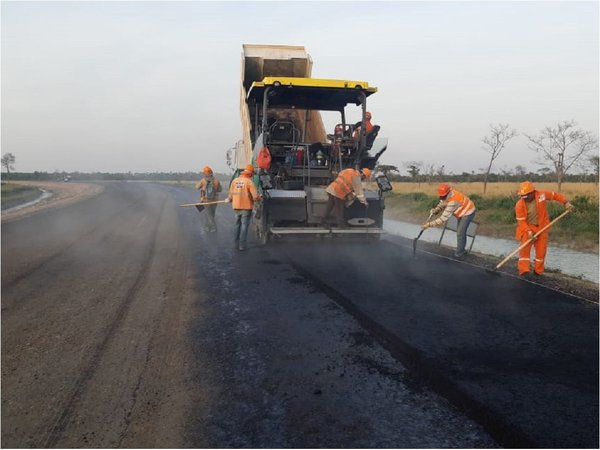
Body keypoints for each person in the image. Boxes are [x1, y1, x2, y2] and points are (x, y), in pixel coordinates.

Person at [514, 181, 574, 277]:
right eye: (522, 196)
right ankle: (524, 271)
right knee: (524, 250)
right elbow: (521, 221)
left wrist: (566, 203)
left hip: (542, 227)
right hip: (527, 228)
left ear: (532, 192)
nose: (524, 198)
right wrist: (529, 231)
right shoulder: (519, 205)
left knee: (541, 251)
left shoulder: (541, 195)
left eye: (525, 196)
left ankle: (538, 272)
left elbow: (554, 195)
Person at [422, 183, 476, 259]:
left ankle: (460, 253)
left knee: (460, 232)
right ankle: (461, 250)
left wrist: (428, 225)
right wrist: (436, 210)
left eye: (443, 196)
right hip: (461, 210)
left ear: (448, 193)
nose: (442, 198)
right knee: (460, 232)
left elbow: (442, 219)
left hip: (468, 212)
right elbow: (442, 203)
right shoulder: (446, 195)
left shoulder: (453, 201)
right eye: (441, 196)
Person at [227, 164, 261, 251]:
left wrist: (229, 199)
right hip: (246, 207)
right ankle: (242, 246)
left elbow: (230, 195)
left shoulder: (235, 181)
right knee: (244, 226)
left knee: (237, 225)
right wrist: (259, 197)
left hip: (236, 207)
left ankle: (235, 244)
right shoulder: (249, 182)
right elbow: (255, 197)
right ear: (250, 174)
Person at [195, 166, 222, 233]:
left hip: (205, 200)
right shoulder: (216, 180)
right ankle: (207, 227)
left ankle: (213, 228)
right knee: (211, 214)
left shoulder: (203, 180)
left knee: (208, 215)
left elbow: (196, 187)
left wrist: (202, 185)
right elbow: (220, 189)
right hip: (214, 201)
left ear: (205, 173)